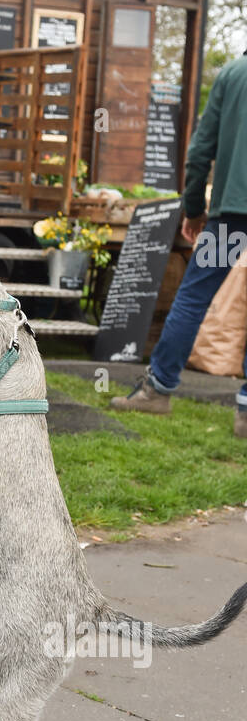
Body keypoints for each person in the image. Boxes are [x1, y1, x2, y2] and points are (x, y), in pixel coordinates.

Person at [111, 53, 247, 436]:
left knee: (193, 296)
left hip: (231, 215)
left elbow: (201, 148)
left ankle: (157, 390)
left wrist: (192, 207)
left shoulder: (234, 74)